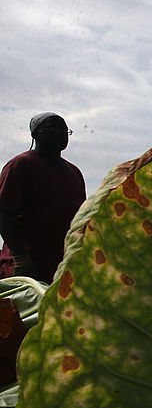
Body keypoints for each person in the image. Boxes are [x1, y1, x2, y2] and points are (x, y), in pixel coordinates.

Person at [0, 113, 87, 282]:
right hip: (27, 265)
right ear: (35, 134)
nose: (61, 133)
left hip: (62, 265)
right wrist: (20, 257)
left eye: (65, 130)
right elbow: (4, 212)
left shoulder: (74, 172)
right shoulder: (21, 164)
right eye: (53, 128)